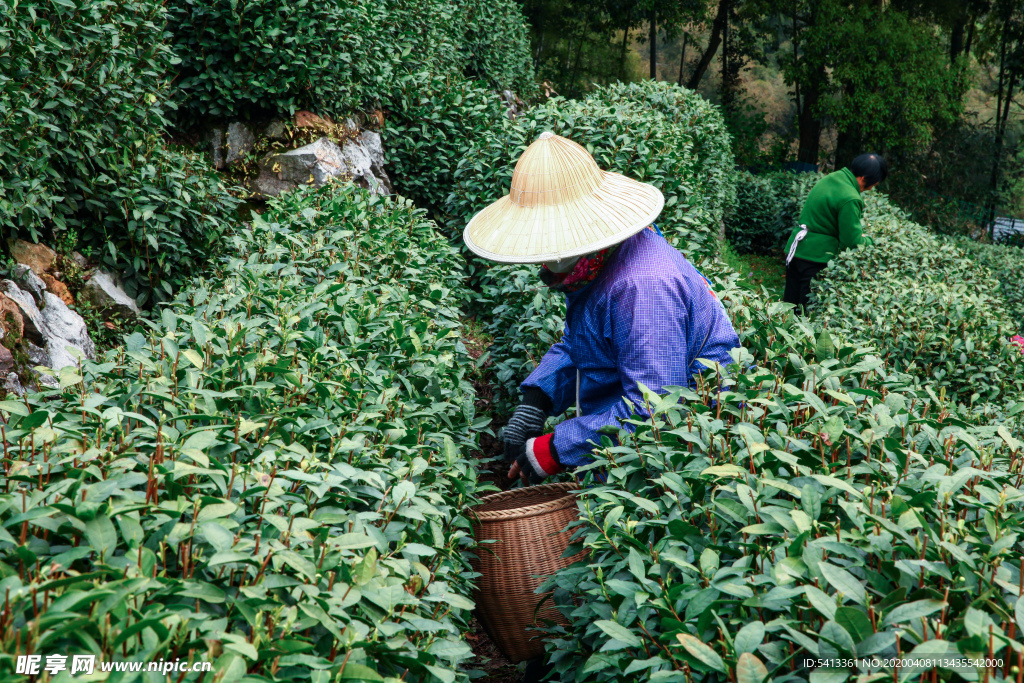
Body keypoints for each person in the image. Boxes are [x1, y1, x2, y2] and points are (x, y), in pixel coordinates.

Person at [464, 131, 740, 486]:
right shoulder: (597, 263)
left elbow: (655, 410)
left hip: (682, 454)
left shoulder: (642, 287)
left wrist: (555, 449)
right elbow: (587, 339)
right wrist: (537, 399)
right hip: (636, 437)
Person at [782, 153, 888, 312]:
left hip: (797, 250)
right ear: (864, 178)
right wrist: (869, 241)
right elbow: (852, 242)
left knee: (788, 308)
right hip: (815, 257)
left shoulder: (832, 178)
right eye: (874, 184)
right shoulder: (850, 198)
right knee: (805, 314)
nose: (872, 188)